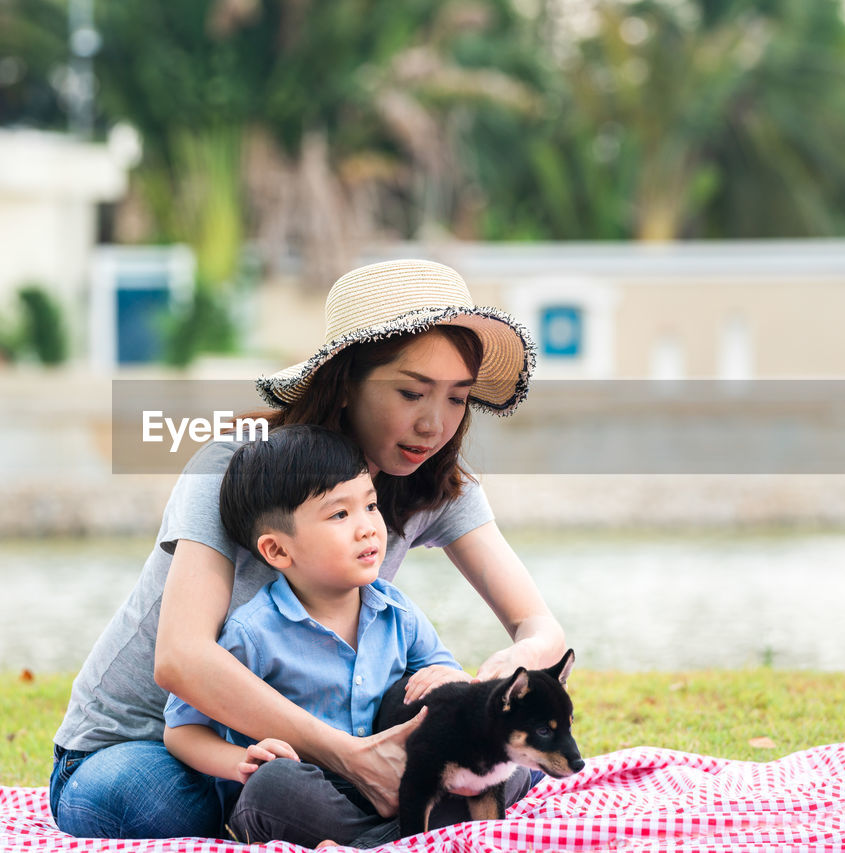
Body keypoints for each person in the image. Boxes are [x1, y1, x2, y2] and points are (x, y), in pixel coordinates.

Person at [50, 258, 566, 839]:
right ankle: (362, 812)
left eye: (456, 398)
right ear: (345, 384)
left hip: (316, 743)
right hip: (150, 748)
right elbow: (181, 658)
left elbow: (539, 625)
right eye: (411, 392)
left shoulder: (434, 485)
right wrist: (347, 755)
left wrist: (511, 667)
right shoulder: (233, 468)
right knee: (158, 803)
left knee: (450, 727)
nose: (434, 424)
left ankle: (348, 812)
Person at [163, 424, 536, 847]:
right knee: (274, 786)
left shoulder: (396, 611)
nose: (368, 528)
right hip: (312, 796)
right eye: (340, 514)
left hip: (394, 780)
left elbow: (443, 676)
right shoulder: (253, 633)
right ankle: (399, 839)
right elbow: (181, 730)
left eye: (371, 506)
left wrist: (446, 678)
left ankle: (389, 838)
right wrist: (240, 762)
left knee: (507, 760)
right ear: (278, 551)